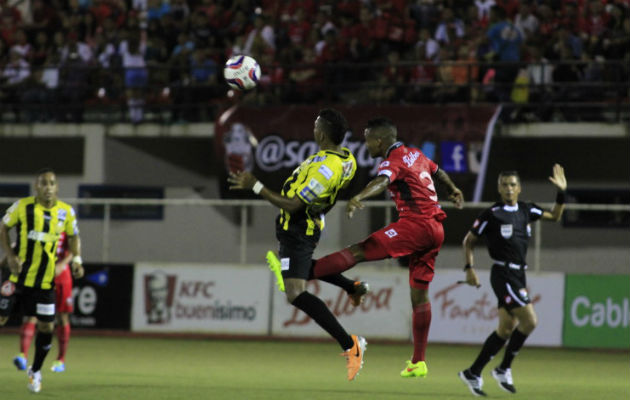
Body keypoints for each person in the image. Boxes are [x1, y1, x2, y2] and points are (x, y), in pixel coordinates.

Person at [307, 117, 464, 379]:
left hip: (416, 225)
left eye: (367, 138)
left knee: (359, 250)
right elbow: (438, 172)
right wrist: (453, 189)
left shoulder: (393, 161)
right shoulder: (415, 153)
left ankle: (305, 273)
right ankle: (419, 362)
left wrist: (359, 196)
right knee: (419, 297)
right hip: (436, 229)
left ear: (379, 140)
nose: (365, 143)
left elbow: (381, 181)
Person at [227, 108, 368, 381]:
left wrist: (256, 186)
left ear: (323, 134)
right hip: (305, 223)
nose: (313, 128)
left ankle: (351, 345)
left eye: (316, 125)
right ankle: (352, 286)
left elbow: (293, 206)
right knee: (296, 272)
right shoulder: (345, 157)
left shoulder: (325, 171)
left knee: (294, 292)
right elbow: (343, 186)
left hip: (299, 227)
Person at [457, 165, 567, 396]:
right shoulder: (492, 214)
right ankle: (503, 368)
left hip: (519, 273)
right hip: (503, 273)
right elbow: (469, 240)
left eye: (513, 184)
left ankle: (473, 372)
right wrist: (469, 268)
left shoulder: (527, 210)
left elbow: (555, 216)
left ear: (519, 188)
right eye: (505, 184)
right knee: (530, 321)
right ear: (499, 188)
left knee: (506, 329)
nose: (509, 188)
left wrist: (561, 193)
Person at [0, 168, 84, 393]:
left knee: (47, 326)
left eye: (52, 183)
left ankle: (35, 371)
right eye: (43, 183)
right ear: (36, 187)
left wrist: (76, 259)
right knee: (1, 318)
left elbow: (75, 236)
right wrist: (9, 255)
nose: (48, 187)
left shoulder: (66, 212)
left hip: (45, 283)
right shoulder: (23, 206)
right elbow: (3, 227)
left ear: (57, 187)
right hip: (17, 278)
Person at [12, 231, 76, 373]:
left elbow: (75, 246)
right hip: (39, 274)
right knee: (32, 315)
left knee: (62, 316)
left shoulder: (65, 217)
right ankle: (23, 355)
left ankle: (61, 359)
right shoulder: (37, 216)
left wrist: (63, 264)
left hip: (60, 275)